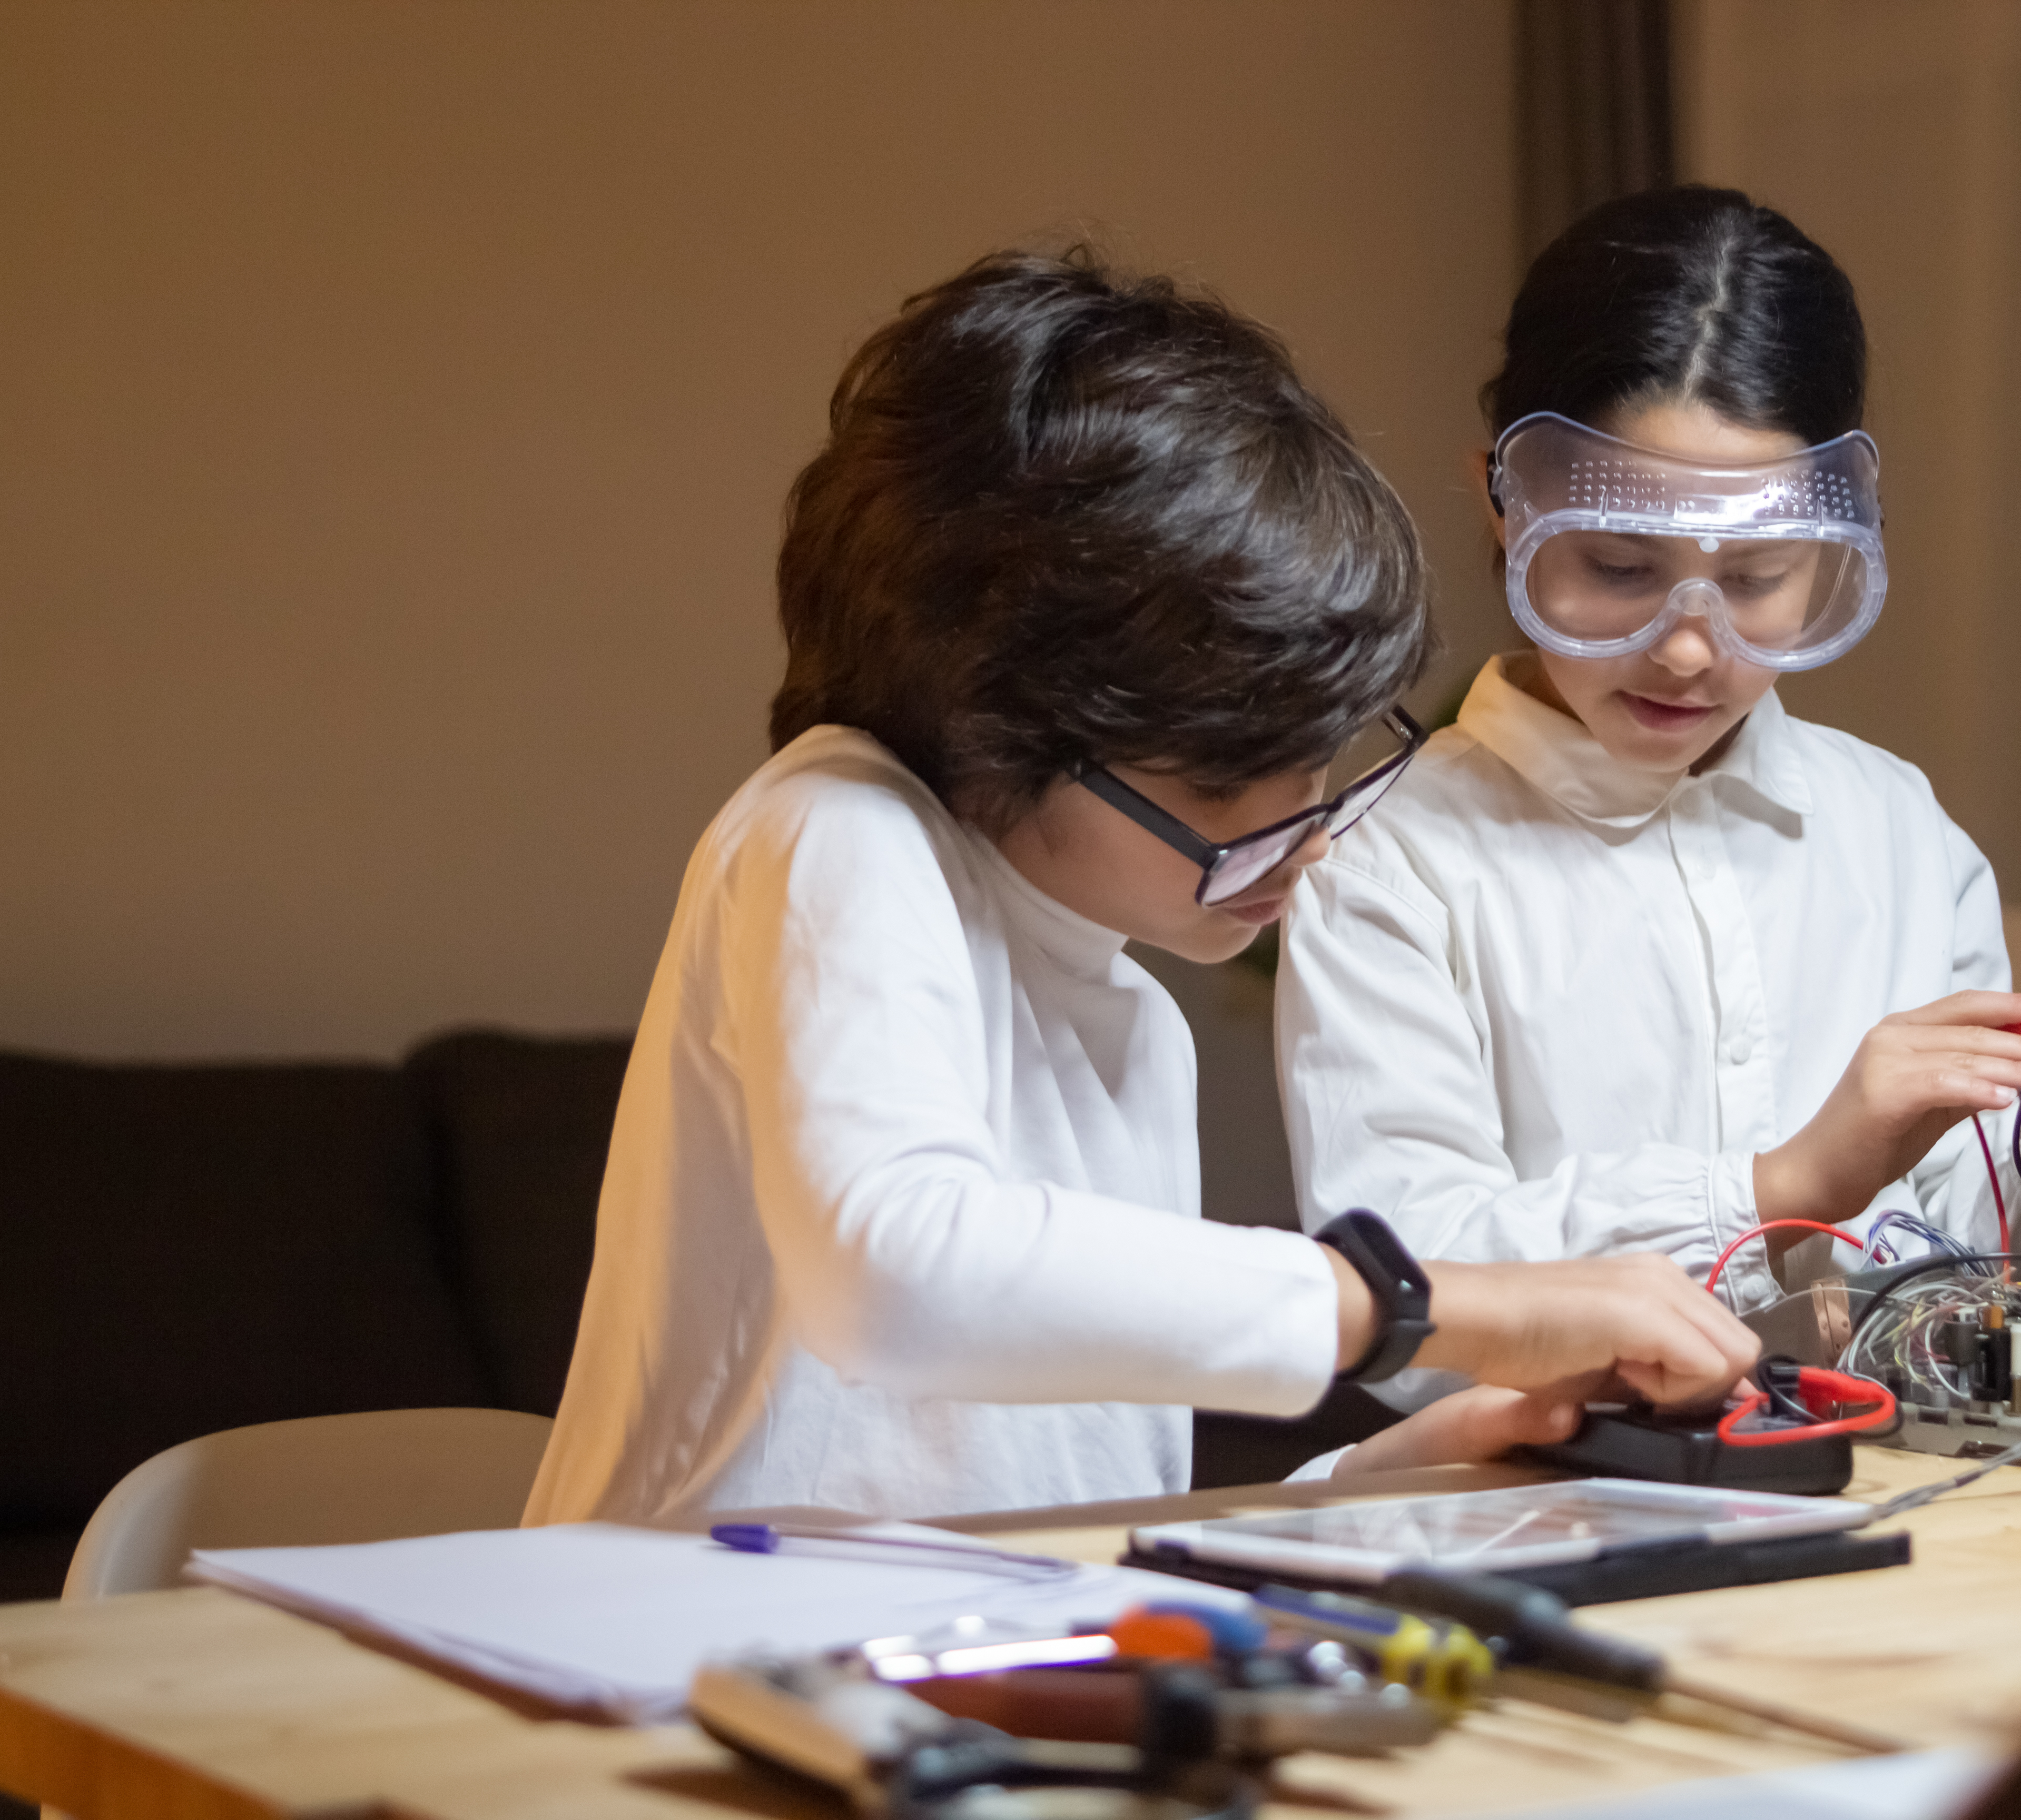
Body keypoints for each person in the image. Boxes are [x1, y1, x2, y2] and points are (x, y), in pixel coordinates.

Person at [525, 249, 1759, 1527]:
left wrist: (1423, 1459)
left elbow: (1087, 1516)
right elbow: (900, 1275)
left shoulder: (1136, 1031)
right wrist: (1437, 1306)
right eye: (1228, 785)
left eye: (1323, 766)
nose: (1307, 839)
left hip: (967, 1660)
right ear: (1006, 726)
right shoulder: (835, 824)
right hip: (682, 1665)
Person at [1275, 187, 2021, 1341]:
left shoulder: (1895, 831)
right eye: (1621, 566)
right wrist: (1784, 1189)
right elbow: (1404, 1302)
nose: (1687, 645)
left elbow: (1953, 1262)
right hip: (1551, 1512)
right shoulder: (1387, 863)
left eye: (1756, 577)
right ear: (1503, 506)